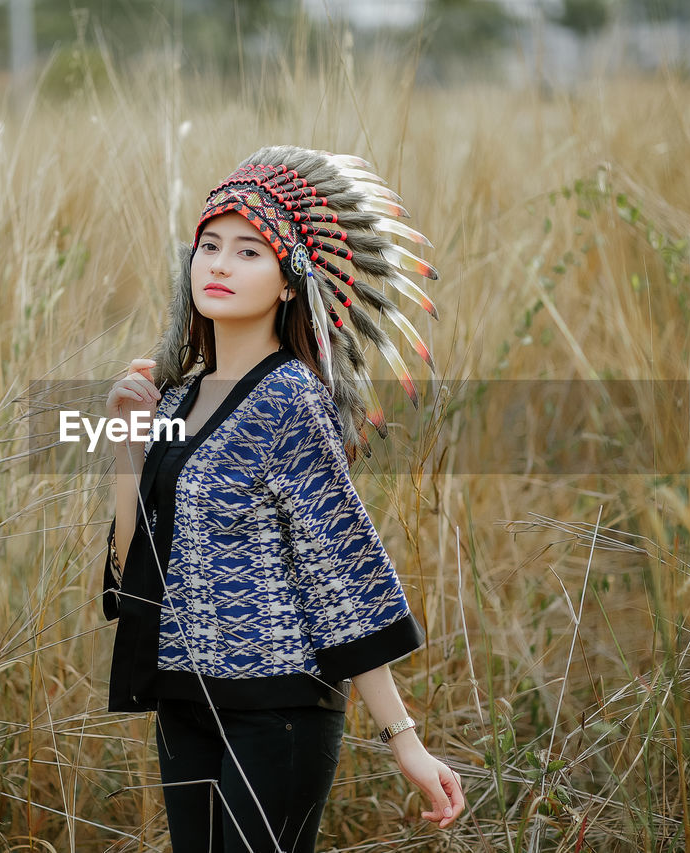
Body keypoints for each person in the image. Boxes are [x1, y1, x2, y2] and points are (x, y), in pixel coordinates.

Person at [101, 146, 465, 851]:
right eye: (209, 246)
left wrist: (406, 741)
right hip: (186, 697)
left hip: (278, 707)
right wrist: (127, 445)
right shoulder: (177, 394)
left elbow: (341, 571)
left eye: (247, 251)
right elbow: (136, 562)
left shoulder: (290, 398)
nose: (218, 265)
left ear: (290, 280)